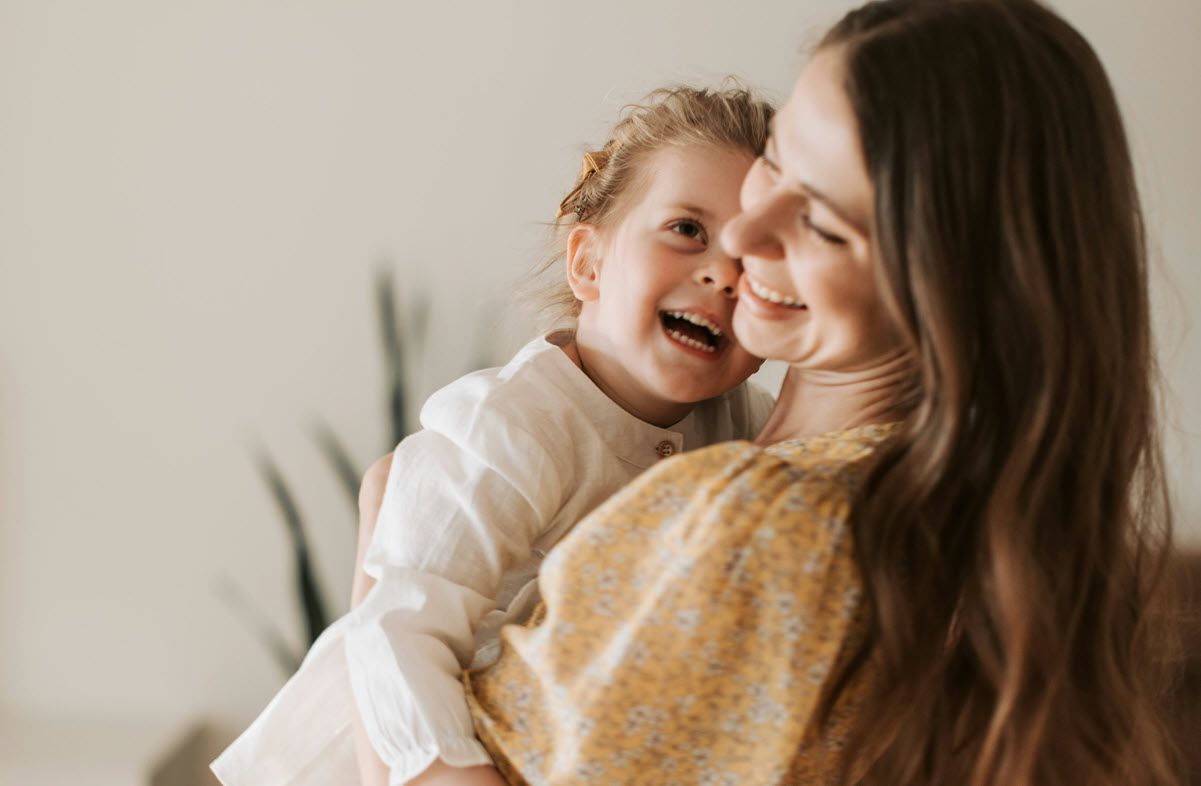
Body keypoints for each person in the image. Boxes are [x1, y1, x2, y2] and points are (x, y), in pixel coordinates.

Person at [357, 1, 1181, 784]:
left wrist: (373, 564)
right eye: (776, 163)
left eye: (821, 223)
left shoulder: (769, 528)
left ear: (950, 293)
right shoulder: (944, 527)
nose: (744, 239)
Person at [210, 85, 779, 786]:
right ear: (588, 265)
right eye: (687, 229)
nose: (723, 273)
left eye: (757, 259)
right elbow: (399, 631)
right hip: (390, 751)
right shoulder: (513, 424)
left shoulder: (745, 423)